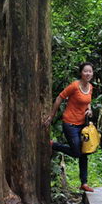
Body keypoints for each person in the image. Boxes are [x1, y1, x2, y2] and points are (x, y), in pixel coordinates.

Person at [43, 62, 96, 193]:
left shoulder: (90, 87)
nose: (88, 73)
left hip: (83, 125)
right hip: (70, 123)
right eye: (85, 71)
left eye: (90, 71)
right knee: (78, 152)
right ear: (81, 73)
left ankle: (84, 183)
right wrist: (51, 116)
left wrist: (89, 111)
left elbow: (88, 103)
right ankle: (53, 145)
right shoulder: (74, 86)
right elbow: (59, 98)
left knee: (84, 153)